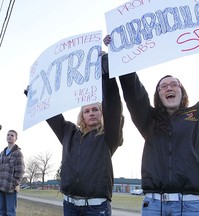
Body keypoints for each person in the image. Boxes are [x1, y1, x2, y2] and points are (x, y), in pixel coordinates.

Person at [104, 8, 199, 216]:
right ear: (158, 95)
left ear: (182, 91)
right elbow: (133, 92)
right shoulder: (148, 120)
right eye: (163, 86)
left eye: (174, 84)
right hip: (154, 205)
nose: (169, 88)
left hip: (192, 206)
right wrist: (119, 52)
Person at [24, 52, 124, 216]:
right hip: (70, 205)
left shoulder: (109, 136)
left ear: (102, 113)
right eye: (87, 110)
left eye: (95, 109)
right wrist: (35, 97)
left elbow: (113, 104)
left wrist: (105, 73)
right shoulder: (69, 132)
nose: (91, 113)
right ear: (82, 115)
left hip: (96, 207)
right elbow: (52, 115)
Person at [0, 129, 25, 216]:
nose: (9, 137)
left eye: (12, 135)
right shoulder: (2, 153)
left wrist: (14, 184)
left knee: (10, 212)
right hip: (1, 187)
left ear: (16, 138)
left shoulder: (18, 153)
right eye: (8, 135)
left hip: (10, 188)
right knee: (1, 212)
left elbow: (21, 171)